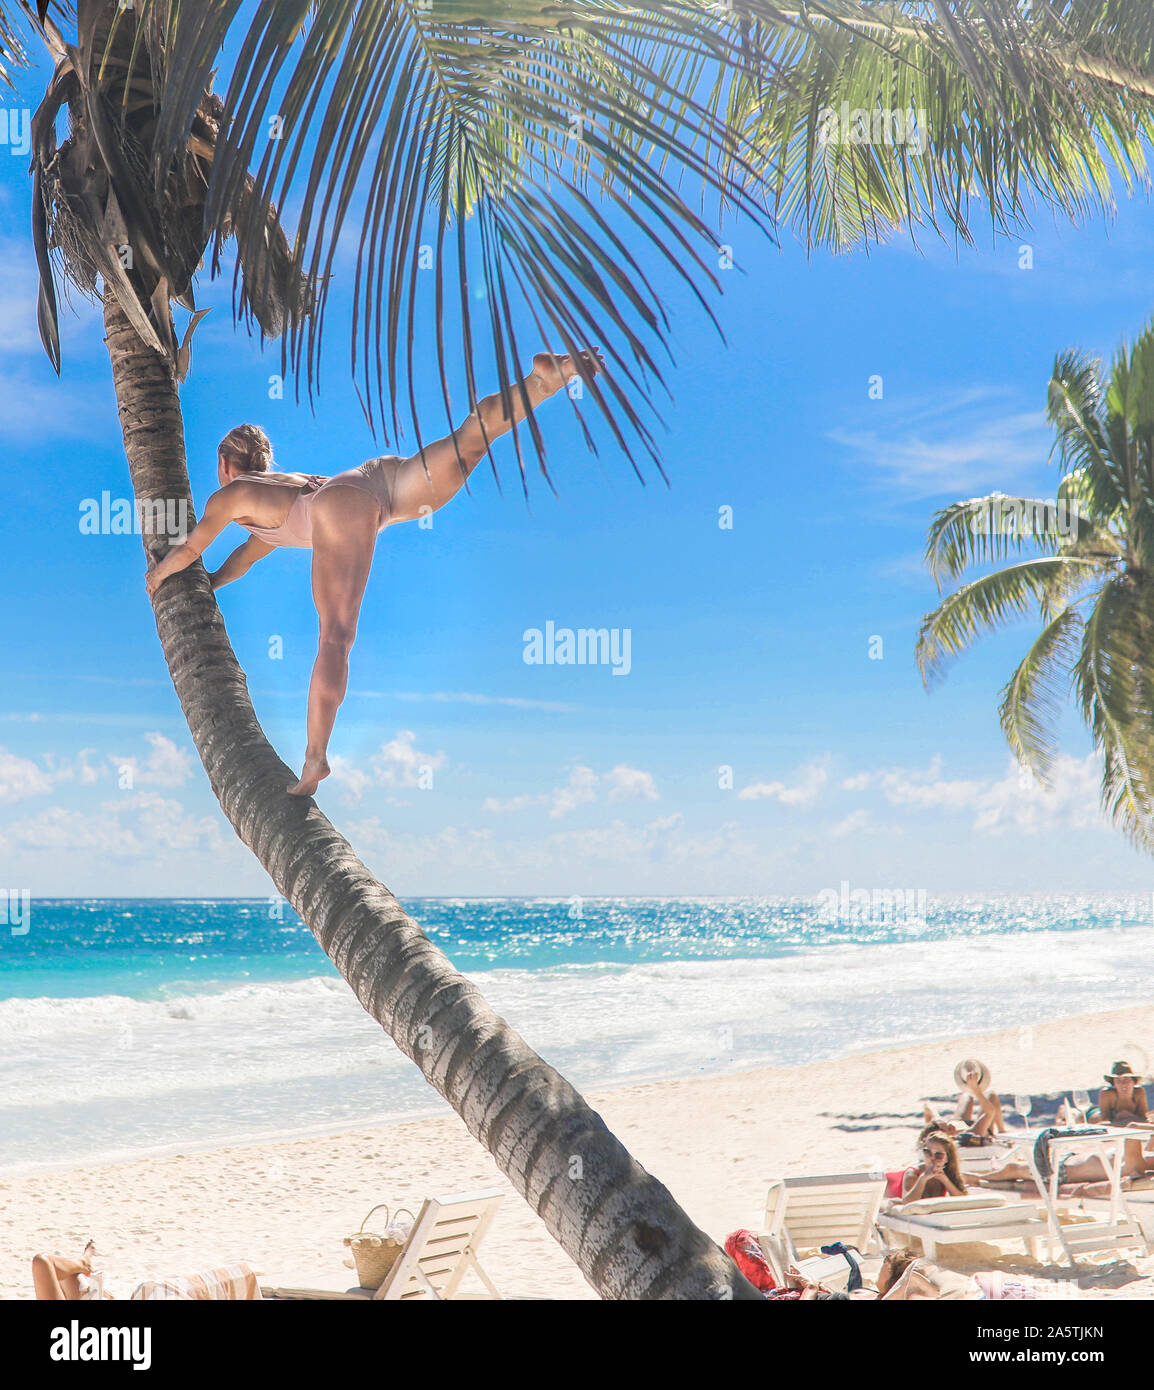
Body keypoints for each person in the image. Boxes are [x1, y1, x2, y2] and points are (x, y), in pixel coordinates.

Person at [145, 348, 605, 796]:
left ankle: (314, 757)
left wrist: (160, 575)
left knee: (335, 637)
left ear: (225, 464)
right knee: (469, 445)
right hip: (372, 479)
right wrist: (212, 585)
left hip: (339, 506)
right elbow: (243, 558)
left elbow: (190, 547)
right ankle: (541, 382)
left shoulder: (230, 495)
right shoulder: (267, 507)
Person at [923, 1057, 1005, 1141]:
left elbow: (927, 1106)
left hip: (962, 1122)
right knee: (991, 1095)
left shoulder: (939, 1128)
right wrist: (976, 1089)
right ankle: (1002, 1132)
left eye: (947, 1124)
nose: (950, 1126)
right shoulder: (969, 1134)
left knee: (967, 1096)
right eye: (948, 1129)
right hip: (983, 1129)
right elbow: (990, 1112)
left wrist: (932, 1121)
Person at [898, 1129, 967, 1203]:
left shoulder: (949, 1172)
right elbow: (906, 1204)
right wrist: (922, 1179)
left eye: (938, 1155)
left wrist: (945, 1180)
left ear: (947, 1158)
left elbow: (962, 1201)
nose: (932, 1158)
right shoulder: (912, 1174)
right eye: (927, 1152)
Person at [1089, 1061, 1148, 1126]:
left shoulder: (1139, 1092)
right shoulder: (1107, 1094)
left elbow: (1144, 1118)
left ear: (1134, 1082)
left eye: (1126, 1079)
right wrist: (1130, 1119)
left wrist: (1126, 1117)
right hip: (1093, 1115)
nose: (1123, 1084)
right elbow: (1104, 1121)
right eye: (1118, 1080)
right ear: (1114, 1084)